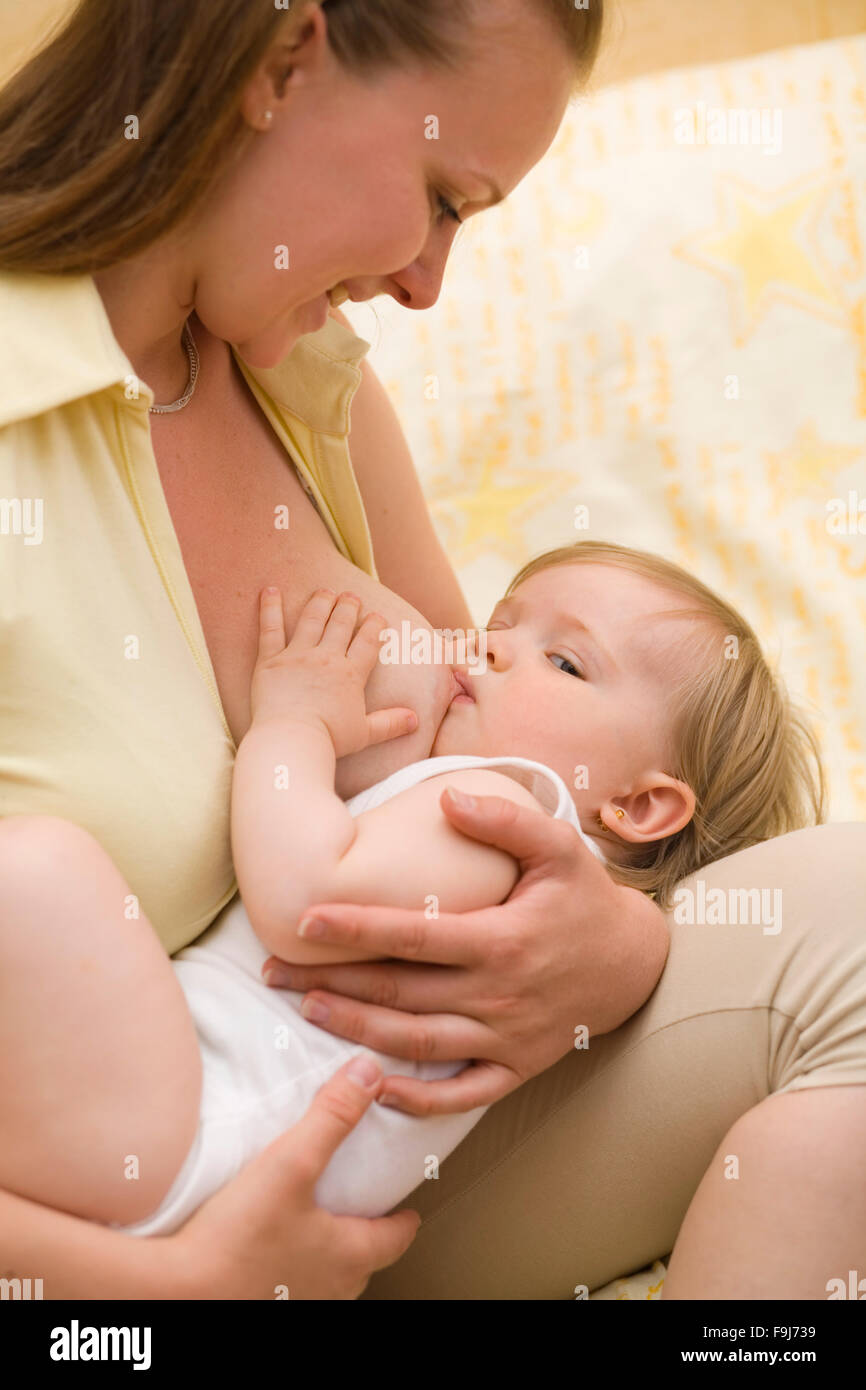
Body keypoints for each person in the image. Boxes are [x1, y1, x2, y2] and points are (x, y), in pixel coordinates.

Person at [0, 0, 864, 1300]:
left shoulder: (306, 385)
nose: (426, 284)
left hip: (369, 1160)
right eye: (442, 197)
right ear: (283, 59)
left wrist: (613, 950)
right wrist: (168, 1286)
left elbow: (501, 765)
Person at [0, 541, 828, 1243]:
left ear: (640, 806)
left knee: (40, 871)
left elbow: (308, 904)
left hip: (197, 1142)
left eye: (565, 660)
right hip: (187, 1153)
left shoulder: (504, 810)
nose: (490, 647)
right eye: (501, 623)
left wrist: (294, 724)